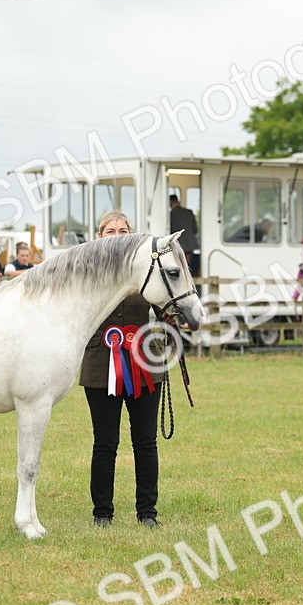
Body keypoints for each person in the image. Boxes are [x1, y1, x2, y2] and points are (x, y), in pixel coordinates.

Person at [80, 210, 168, 528]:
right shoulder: (85, 273)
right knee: (105, 442)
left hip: (144, 363)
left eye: (123, 230)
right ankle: (102, 513)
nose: (117, 235)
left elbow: (165, 305)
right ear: (99, 236)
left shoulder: (144, 272)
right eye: (110, 231)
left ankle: (147, 513)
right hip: (99, 364)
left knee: (145, 441)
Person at [168, 194, 200, 276]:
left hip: (177, 244)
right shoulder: (189, 212)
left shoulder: (170, 215)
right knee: (188, 266)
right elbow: (195, 230)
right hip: (190, 244)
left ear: (170, 202)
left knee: (180, 267)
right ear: (177, 201)